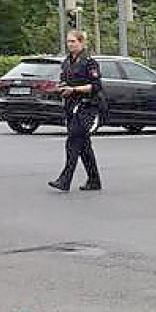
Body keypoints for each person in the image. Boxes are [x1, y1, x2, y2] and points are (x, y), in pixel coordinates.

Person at [48, 29, 104, 193]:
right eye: (68, 41)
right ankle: (94, 180)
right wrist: (60, 88)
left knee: (73, 141)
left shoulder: (89, 62)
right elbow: (64, 80)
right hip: (71, 106)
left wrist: (74, 89)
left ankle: (65, 179)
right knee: (84, 145)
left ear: (81, 43)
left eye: (73, 41)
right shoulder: (66, 62)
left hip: (87, 106)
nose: (70, 44)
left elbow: (95, 86)